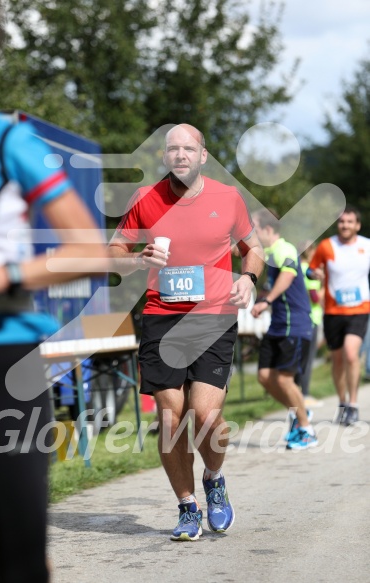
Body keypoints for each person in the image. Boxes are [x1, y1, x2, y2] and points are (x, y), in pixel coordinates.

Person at [0, 3, 107, 581]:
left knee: (20, 552)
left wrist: (2, 278)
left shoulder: (9, 144)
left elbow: (88, 249)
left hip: (3, 362)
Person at [108, 123, 264, 541]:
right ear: (164, 157)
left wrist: (248, 278)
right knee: (170, 418)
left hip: (213, 317)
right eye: (172, 149)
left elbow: (255, 248)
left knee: (206, 417)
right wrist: (138, 260)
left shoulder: (228, 198)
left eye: (188, 148)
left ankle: (214, 478)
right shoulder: (145, 199)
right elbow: (114, 254)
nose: (180, 155)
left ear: (203, 156)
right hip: (161, 317)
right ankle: (187, 505)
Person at [251, 208, 318, 450]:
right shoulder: (268, 254)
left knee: (284, 379)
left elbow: (288, 275)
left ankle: (306, 430)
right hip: (278, 325)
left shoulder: (285, 249)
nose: (253, 234)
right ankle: (301, 409)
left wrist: (266, 300)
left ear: (268, 229)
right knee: (265, 377)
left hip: (295, 324)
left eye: (255, 229)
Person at [309, 205, 370, 425]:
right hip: (333, 311)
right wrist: (314, 273)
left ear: (357, 225)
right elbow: (311, 268)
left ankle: (353, 405)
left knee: (351, 354)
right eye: (342, 222)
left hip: (359, 309)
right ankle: (342, 402)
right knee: (337, 360)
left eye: (349, 221)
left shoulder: (367, 246)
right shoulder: (327, 246)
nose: (345, 225)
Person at [298, 242, 324, 408]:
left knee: (301, 359)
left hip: (300, 318)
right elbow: (314, 297)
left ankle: (300, 394)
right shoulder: (309, 270)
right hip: (311, 319)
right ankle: (304, 395)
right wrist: (326, 287)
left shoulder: (297, 267)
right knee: (307, 360)